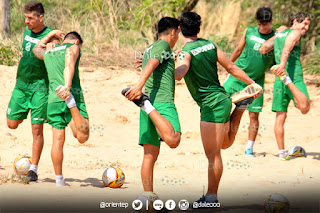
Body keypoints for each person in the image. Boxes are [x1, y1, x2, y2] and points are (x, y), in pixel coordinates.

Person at [174, 12, 262, 204]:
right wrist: (252, 83)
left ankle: (211, 197)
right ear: (199, 29)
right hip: (222, 99)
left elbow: (180, 73)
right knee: (224, 144)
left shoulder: (184, 53)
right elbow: (231, 67)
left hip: (211, 106)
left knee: (213, 155)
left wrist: (169, 69)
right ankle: (240, 106)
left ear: (180, 29)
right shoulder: (210, 45)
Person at [122, 17, 181, 198]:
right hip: (161, 103)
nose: (178, 36)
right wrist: (138, 87)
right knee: (173, 139)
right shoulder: (163, 46)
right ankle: (146, 104)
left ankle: (147, 196)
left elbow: (152, 62)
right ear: (173, 31)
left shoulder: (152, 47)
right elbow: (152, 64)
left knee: (150, 155)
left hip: (148, 104)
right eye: (178, 33)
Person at [224, 7, 283, 156]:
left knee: (253, 116)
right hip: (238, 76)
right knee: (222, 103)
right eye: (260, 24)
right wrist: (228, 66)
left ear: (271, 22)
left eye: (265, 24)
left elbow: (277, 59)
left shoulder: (275, 38)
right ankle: (220, 136)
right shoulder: (249, 31)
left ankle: (249, 148)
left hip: (256, 82)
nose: (262, 27)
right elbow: (237, 50)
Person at [33, 30, 90, 186]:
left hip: (53, 98)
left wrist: (49, 35)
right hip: (70, 94)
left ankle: (59, 180)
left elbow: (35, 49)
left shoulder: (48, 52)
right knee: (83, 137)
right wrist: (67, 86)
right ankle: (71, 105)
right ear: (77, 42)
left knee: (57, 140)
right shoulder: (72, 48)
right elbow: (69, 64)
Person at [6, 1, 54, 182]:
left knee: (37, 129)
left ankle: (33, 169)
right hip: (21, 85)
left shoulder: (51, 36)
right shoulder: (27, 31)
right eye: (25, 17)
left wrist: (52, 39)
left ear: (40, 18)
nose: (27, 21)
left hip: (40, 88)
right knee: (12, 124)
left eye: (30, 18)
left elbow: (42, 55)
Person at [260, 12, 311, 160]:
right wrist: (283, 64)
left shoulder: (281, 33)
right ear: (295, 21)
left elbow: (263, 48)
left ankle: (282, 153)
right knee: (305, 108)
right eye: (305, 24)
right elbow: (287, 48)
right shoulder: (295, 32)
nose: (306, 28)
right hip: (292, 76)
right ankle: (288, 81)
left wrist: (276, 35)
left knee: (280, 117)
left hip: (278, 78)